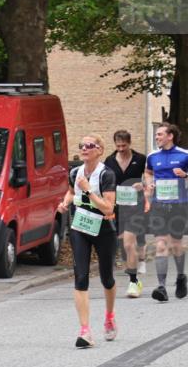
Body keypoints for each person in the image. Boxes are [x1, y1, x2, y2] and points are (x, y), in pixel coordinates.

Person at [57, 135, 117, 348]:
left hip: (103, 229)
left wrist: (89, 190)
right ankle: (85, 331)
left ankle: (109, 316)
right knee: (80, 276)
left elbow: (109, 208)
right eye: (81, 145)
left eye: (89, 145)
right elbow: (72, 192)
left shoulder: (106, 174)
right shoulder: (75, 172)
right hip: (80, 227)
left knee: (107, 278)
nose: (84, 148)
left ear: (99, 150)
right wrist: (64, 203)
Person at [144, 122, 188, 301]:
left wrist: (185, 176)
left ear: (170, 136)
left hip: (179, 205)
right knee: (161, 244)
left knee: (176, 244)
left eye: (160, 134)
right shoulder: (153, 156)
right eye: (156, 135)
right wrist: (149, 183)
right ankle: (161, 287)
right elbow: (148, 172)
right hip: (159, 205)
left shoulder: (184, 155)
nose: (157, 137)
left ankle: (180, 277)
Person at [104, 130, 148, 297]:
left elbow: (151, 177)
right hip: (117, 207)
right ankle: (135, 266)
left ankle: (133, 282)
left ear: (130, 143)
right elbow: (105, 182)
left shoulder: (140, 159)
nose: (121, 149)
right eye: (118, 146)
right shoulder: (109, 160)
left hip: (135, 205)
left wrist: (142, 183)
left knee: (130, 243)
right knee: (123, 244)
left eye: (124, 145)